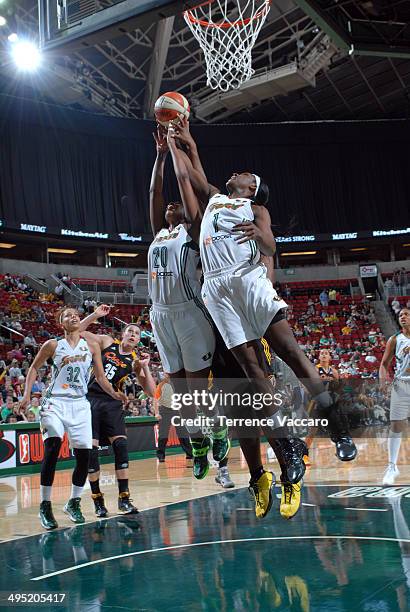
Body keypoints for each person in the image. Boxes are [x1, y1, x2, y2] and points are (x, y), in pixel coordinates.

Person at [167, 119, 356, 519]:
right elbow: (192, 172)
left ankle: (337, 427)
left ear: (252, 187)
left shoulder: (255, 208)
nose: (238, 171)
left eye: (247, 174)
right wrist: (181, 140)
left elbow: (271, 245)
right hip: (216, 288)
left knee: (290, 351)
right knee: (248, 371)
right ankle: (286, 452)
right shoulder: (216, 198)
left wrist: (258, 233)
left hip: (248, 282)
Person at [147, 127, 230, 481]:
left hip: (190, 314)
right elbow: (154, 190)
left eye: (177, 203)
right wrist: (161, 154)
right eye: (171, 203)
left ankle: (220, 432)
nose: (171, 203)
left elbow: (190, 186)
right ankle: (198, 448)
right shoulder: (159, 233)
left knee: (197, 392)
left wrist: (186, 149)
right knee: (181, 398)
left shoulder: (193, 231)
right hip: (160, 316)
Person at [20, 306, 126, 530]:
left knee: (85, 456)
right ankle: (45, 505)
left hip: (79, 404)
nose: (74, 316)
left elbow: (100, 377)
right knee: (53, 445)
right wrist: (27, 394)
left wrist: (115, 393)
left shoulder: (92, 347)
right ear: (61, 323)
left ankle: (74, 502)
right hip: (55, 402)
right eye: (67, 315)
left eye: (76, 314)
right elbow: (33, 369)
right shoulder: (53, 345)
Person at [79, 305, 156, 517]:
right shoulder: (106, 342)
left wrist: (146, 367)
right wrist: (95, 315)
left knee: (121, 446)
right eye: (130, 331)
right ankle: (97, 500)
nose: (132, 334)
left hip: (113, 404)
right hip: (91, 400)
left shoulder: (135, 362)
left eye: (137, 333)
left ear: (139, 341)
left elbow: (150, 392)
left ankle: (124, 498)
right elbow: (77, 331)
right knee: (91, 454)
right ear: (123, 334)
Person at [379, 308, 410, 485]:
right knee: (396, 425)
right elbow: (384, 364)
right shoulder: (395, 339)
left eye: (406, 314)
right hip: (401, 384)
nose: (402, 317)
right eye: (400, 316)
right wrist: (383, 381)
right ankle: (392, 466)